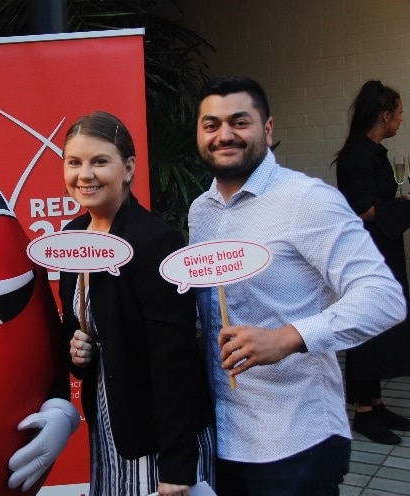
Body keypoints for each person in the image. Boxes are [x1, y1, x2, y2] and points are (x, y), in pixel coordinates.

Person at [188, 76, 406, 495]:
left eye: (240, 121)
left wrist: (290, 337)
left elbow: (384, 297)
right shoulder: (201, 211)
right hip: (221, 436)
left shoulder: (307, 200)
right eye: (211, 125)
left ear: (268, 130)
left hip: (293, 438)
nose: (225, 135)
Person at [59, 111, 214, 496]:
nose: (84, 174)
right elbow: (85, 327)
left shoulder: (154, 242)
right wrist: (77, 349)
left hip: (159, 441)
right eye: (74, 162)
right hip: (111, 431)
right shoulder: (72, 236)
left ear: (128, 168)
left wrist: (177, 466)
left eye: (99, 161)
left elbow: (174, 360)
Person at [335, 80, 410, 445]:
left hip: (385, 248)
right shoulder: (356, 156)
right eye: (399, 113)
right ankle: (364, 412)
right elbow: (363, 208)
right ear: (385, 116)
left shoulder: (376, 153)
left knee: (384, 323)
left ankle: (376, 403)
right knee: (367, 323)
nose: (400, 120)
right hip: (366, 253)